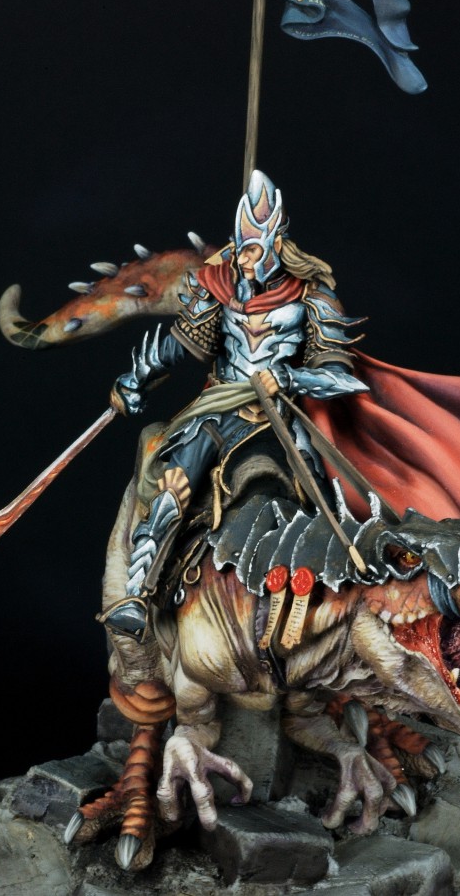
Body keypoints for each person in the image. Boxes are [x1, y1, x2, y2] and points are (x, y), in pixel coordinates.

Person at [103, 170, 369, 641]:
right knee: (175, 482)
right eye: (239, 247)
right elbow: (181, 345)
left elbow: (340, 375)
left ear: (275, 244)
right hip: (220, 406)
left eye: (252, 250)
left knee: (319, 493)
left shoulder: (312, 296)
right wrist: (137, 379)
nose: (243, 260)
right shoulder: (219, 285)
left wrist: (289, 377)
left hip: (281, 415)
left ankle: (339, 603)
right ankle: (138, 593)